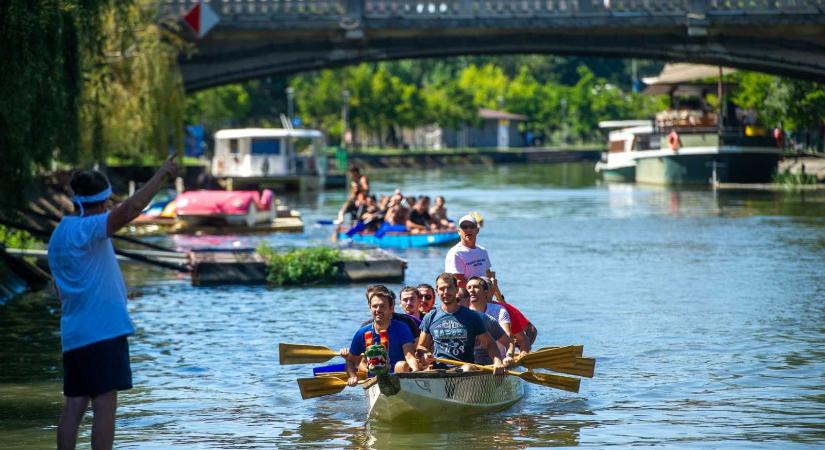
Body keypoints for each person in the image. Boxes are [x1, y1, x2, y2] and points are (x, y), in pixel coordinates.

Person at [48, 156, 178, 450]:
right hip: (102, 334)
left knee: (73, 408)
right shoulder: (89, 229)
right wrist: (160, 176)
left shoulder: (59, 235)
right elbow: (130, 209)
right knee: (105, 407)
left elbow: (61, 287)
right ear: (101, 201)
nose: (109, 207)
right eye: (107, 201)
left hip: (74, 335)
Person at [416, 273, 505, 373]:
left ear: (456, 289)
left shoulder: (472, 316)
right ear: (437, 291)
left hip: (464, 369)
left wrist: (497, 361)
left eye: (449, 288)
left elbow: (490, 344)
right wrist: (425, 353)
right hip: (439, 370)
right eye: (442, 289)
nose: (445, 292)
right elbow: (421, 346)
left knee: (467, 368)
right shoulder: (430, 317)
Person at [344, 288, 419, 386]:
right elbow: (350, 360)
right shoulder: (362, 333)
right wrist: (352, 376)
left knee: (401, 365)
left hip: (398, 377)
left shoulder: (402, 328)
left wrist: (415, 371)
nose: (378, 310)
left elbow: (409, 356)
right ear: (370, 307)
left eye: (382, 306)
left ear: (391, 308)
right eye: (375, 306)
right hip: (375, 380)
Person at [467, 276, 530, 359]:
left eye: (476, 287)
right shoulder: (462, 311)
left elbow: (513, 336)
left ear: (488, 291)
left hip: (499, 360)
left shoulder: (502, 310)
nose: (472, 290)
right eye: (469, 288)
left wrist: (521, 353)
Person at [444, 214, 491, 288]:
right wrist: (479, 290)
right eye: (464, 227)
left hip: (483, 296)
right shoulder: (456, 253)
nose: (468, 230)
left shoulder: (482, 251)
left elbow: (489, 275)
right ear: (459, 231)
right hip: (465, 297)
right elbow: (457, 282)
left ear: (477, 230)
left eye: (472, 227)